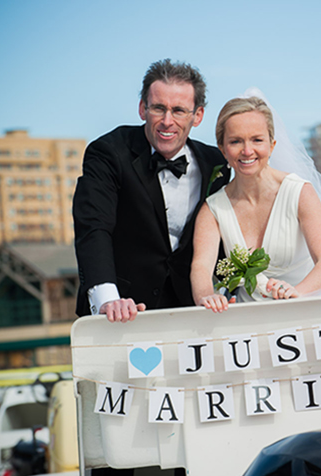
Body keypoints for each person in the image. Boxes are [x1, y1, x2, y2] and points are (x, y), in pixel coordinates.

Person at [192, 90, 321, 312]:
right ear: (223, 149)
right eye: (235, 141)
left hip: (305, 309)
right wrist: (207, 296)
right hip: (248, 319)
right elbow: (201, 267)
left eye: (257, 140)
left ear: (272, 145)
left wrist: (297, 292)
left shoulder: (300, 193)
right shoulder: (212, 209)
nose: (247, 150)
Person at [74, 59, 230, 322]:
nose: (167, 121)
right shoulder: (107, 152)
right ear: (142, 108)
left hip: (193, 313)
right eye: (159, 108)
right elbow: (93, 227)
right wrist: (108, 299)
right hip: (123, 312)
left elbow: (224, 234)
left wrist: (232, 289)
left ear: (198, 115)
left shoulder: (216, 164)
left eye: (179, 110)